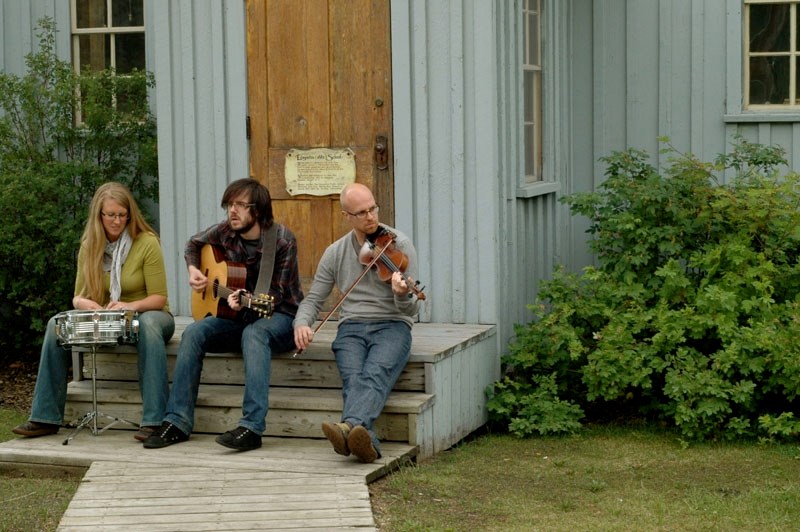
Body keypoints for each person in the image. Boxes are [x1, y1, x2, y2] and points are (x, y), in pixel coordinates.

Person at [144, 178, 304, 452]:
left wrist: (246, 301)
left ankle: (252, 428)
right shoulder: (224, 232)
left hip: (279, 318)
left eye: (241, 205)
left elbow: (275, 297)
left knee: (255, 333)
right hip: (237, 316)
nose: (233, 211)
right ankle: (177, 421)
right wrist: (194, 270)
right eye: (230, 204)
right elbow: (192, 244)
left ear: (259, 211)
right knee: (194, 332)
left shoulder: (282, 240)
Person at [12, 182, 175, 442]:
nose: (117, 221)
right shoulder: (90, 245)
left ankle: (155, 421)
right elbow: (78, 296)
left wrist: (130, 306)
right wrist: (87, 305)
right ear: (99, 215)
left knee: (148, 326)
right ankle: (44, 417)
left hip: (146, 313)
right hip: (106, 316)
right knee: (56, 324)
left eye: (122, 215)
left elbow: (159, 298)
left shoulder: (146, 242)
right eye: (111, 215)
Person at [293, 183, 422, 463]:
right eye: (361, 212)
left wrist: (401, 295)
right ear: (346, 216)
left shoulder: (398, 243)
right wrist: (302, 324)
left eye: (373, 208)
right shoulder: (335, 252)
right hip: (351, 329)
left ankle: (347, 427)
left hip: (392, 325)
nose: (371, 217)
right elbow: (313, 299)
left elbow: (412, 308)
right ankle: (368, 442)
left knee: (372, 374)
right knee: (355, 380)